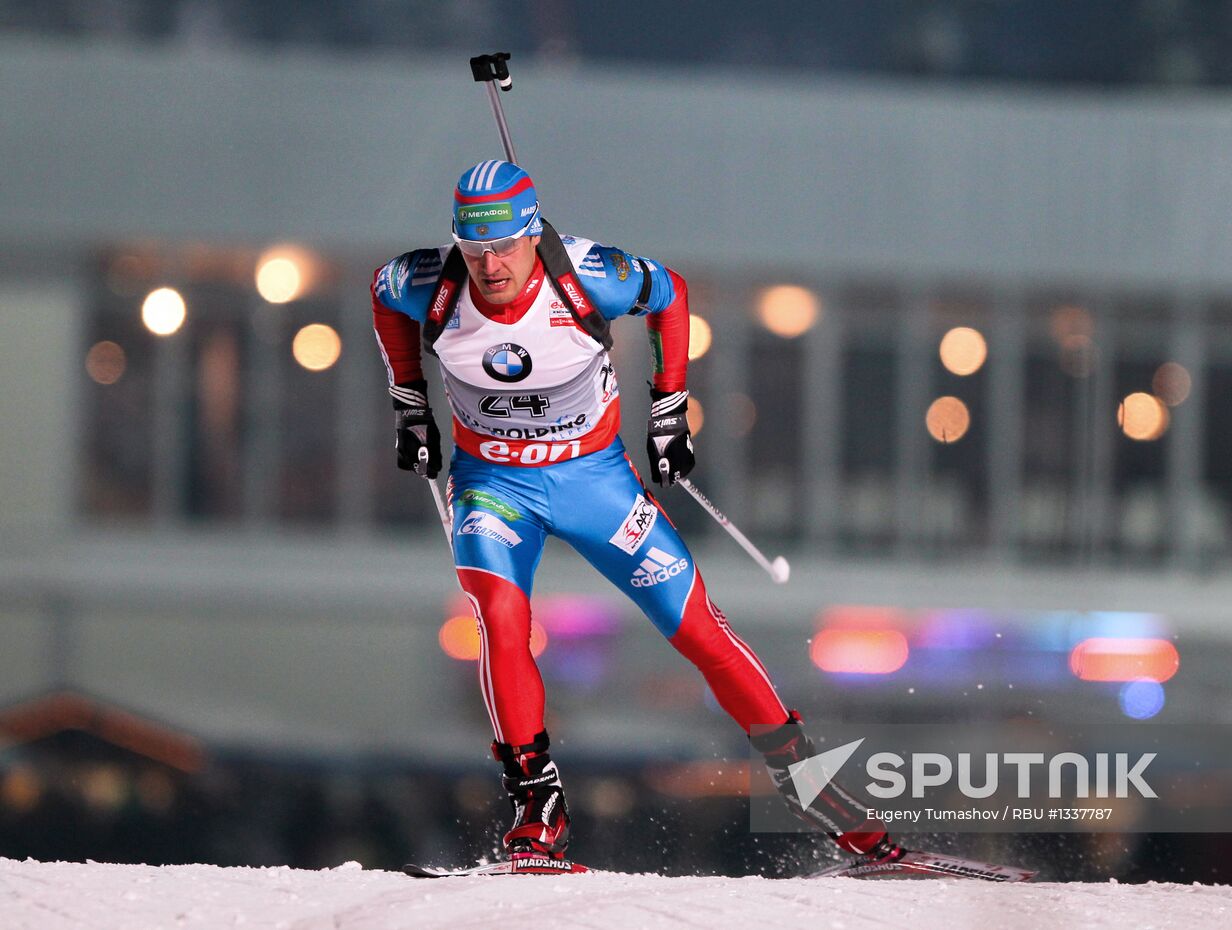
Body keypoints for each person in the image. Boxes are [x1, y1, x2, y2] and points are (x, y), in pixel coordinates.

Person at [371, 160, 897, 869]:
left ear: (532, 233)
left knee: (700, 631)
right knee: (499, 619)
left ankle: (816, 792)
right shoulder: (426, 282)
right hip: (494, 484)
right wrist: (410, 402)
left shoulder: (588, 273)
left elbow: (670, 294)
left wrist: (669, 411)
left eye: (503, 246)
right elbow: (382, 295)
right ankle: (537, 809)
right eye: (474, 249)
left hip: (594, 481)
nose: (490, 266)